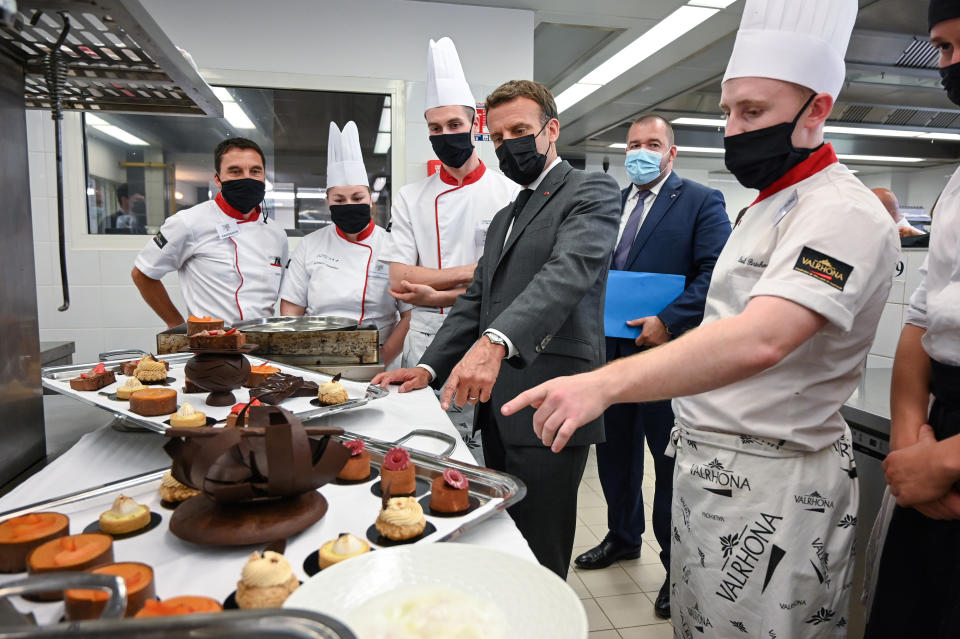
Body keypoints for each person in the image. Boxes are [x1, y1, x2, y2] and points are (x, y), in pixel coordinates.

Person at [502, 1, 900, 634]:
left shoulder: (841, 213)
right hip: (708, 470)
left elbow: (765, 338)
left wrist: (602, 382)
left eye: (755, 112)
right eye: (728, 112)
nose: (736, 129)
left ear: (817, 110)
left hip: (776, 487)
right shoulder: (766, 209)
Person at [373, 79, 620, 579]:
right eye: (501, 136)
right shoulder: (508, 213)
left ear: (551, 130)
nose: (511, 144)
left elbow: (567, 272)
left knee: (543, 549)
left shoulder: (590, 190)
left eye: (521, 130)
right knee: (508, 540)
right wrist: (427, 367)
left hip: (551, 398)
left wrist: (496, 341)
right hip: (498, 409)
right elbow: (476, 299)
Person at [574, 114, 731, 622]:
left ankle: (674, 568)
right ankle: (622, 537)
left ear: (672, 152)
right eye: (634, 144)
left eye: (652, 144)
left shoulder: (700, 201)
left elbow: (716, 274)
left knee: (667, 465)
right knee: (614, 454)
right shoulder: (614, 203)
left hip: (667, 358)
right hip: (610, 353)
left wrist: (668, 318)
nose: (641, 152)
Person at [865, 2, 960, 636]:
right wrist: (908, 442)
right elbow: (925, 317)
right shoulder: (958, 182)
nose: (949, 68)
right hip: (937, 428)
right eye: (943, 51)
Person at [379, 37, 518, 445]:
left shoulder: (508, 191)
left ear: (475, 123)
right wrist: (478, 272)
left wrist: (437, 287)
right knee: (422, 442)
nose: (445, 135)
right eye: (435, 128)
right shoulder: (411, 196)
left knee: (479, 448)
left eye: (454, 125)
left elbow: (510, 279)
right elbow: (401, 277)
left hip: (485, 336)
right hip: (423, 341)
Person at [279, 122, 411, 367]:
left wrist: (381, 360)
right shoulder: (310, 245)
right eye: (339, 199)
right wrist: (300, 354)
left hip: (382, 358)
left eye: (357, 197)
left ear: (370, 199)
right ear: (327, 201)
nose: (349, 204)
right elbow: (291, 309)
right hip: (318, 357)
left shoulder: (393, 245)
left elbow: (409, 315)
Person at [132, 137, 288, 327]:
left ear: (264, 177)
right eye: (235, 171)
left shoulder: (276, 234)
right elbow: (142, 274)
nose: (247, 178)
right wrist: (177, 326)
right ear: (218, 179)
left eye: (255, 171)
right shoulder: (188, 222)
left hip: (264, 345)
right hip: (211, 347)